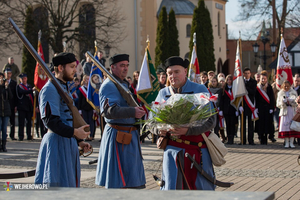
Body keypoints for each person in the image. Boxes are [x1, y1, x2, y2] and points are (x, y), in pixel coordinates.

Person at [153, 56, 216, 190]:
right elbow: (151, 122)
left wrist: (188, 130)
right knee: (173, 191)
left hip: (197, 150)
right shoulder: (163, 93)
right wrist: (159, 130)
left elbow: (211, 120)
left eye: (176, 72)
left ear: (185, 71)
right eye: (169, 73)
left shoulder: (200, 89)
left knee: (199, 191)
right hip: (172, 153)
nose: (172, 76)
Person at [35, 52, 91, 187]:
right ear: (60, 68)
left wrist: (79, 141)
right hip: (56, 144)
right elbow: (51, 121)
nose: (75, 70)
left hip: (68, 141)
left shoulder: (63, 87)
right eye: (71, 67)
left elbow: (67, 118)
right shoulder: (50, 89)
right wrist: (75, 133)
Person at [95, 54, 146, 188]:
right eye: (122, 65)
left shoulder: (124, 84)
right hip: (118, 136)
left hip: (130, 135)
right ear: (112, 67)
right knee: (118, 183)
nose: (125, 68)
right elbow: (109, 111)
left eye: (127, 65)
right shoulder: (108, 85)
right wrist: (133, 112)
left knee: (132, 182)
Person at [277, 80, 300, 148]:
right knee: (285, 126)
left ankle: (292, 142)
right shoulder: (280, 93)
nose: (286, 87)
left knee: (292, 126)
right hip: (284, 111)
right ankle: (286, 142)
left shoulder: (293, 92)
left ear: (290, 86)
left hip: (292, 111)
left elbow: (297, 103)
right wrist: (283, 102)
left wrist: (292, 101)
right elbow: (278, 104)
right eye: (285, 86)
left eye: (288, 86)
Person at [255, 71, 275, 145]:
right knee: (260, 123)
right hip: (260, 108)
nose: (263, 80)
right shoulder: (257, 87)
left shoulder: (269, 87)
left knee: (267, 123)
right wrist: (256, 107)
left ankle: (265, 138)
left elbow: (272, 98)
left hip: (267, 108)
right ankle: (260, 137)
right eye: (262, 78)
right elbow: (255, 98)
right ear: (260, 79)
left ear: (267, 79)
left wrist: (271, 108)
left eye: (265, 79)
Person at [239, 68, 257, 145]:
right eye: (245, 73)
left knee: (250, 124)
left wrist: (245, 87)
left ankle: (251, 140)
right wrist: (239, 106)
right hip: (243, 105)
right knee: (242, 124)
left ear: (250, 74)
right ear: (243, 74)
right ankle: (242, 140)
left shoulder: (253, 82)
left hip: (250, 105)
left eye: (248, 73)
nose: (247, 75)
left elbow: (253, 92)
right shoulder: (240, 82)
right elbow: (238, 94)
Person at [220, 75, 238, 144]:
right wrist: (221, 109)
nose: (229, 81)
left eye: (230, 80)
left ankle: (232, 138)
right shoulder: (224, 89)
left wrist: (237, 109)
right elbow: (222, 100)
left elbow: (237, 99)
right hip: (226, 110)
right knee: (227, 124)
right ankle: (228, 138)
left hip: (233, 110)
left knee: (232, 124)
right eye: (228, 80)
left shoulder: (234, 89)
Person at [16, 73, 35, 141]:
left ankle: (29, 135)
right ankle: (21, 136)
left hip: (29, 107)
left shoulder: (29, 86)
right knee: (21, 122)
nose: (24, 80)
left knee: (29, 122)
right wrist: (31, 90)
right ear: (20, 79)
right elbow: (22, 92)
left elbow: (32, 96)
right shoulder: (19, 86)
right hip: (22, 107)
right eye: (23, 79)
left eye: (25, 78)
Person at [208, 76, 225, 142]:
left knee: (217, 124)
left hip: (217, 109)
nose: (213, 83)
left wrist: (220, 108)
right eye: (212, 81)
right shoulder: (208, 89)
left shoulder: (220, 90)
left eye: (214, 81)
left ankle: (216, 137)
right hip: (210, 109)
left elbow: (221, 100)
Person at [78, 75, 95, 141]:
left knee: (91, 122)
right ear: (84, 80)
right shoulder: (81, 89)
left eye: (89, 79)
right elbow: (80, 100)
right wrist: (79, 109)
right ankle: (86, 135)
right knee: (85, 122)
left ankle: (91, 135)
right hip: (84, 108)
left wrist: (94, 108)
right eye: (87, 79)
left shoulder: (91, 88)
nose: (88, 80)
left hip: (91, 108)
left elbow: (93, 99)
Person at [0, 73, 12, 152]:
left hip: (6, 111)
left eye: (2, 78)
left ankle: (3, 145)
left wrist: (7, 88)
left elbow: (10, 97)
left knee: (4, 129)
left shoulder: (6, 87)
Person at [4, 69, 17, 140]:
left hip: (11, 105)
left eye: (10, 73)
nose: (8, 75)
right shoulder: (2, 82)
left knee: (12, 121)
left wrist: (15, 105)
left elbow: (15, 95)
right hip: (4, 105)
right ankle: (4, 135)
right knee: (4, 122)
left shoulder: (13, 83)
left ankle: (12, 135)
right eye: (7, 73)